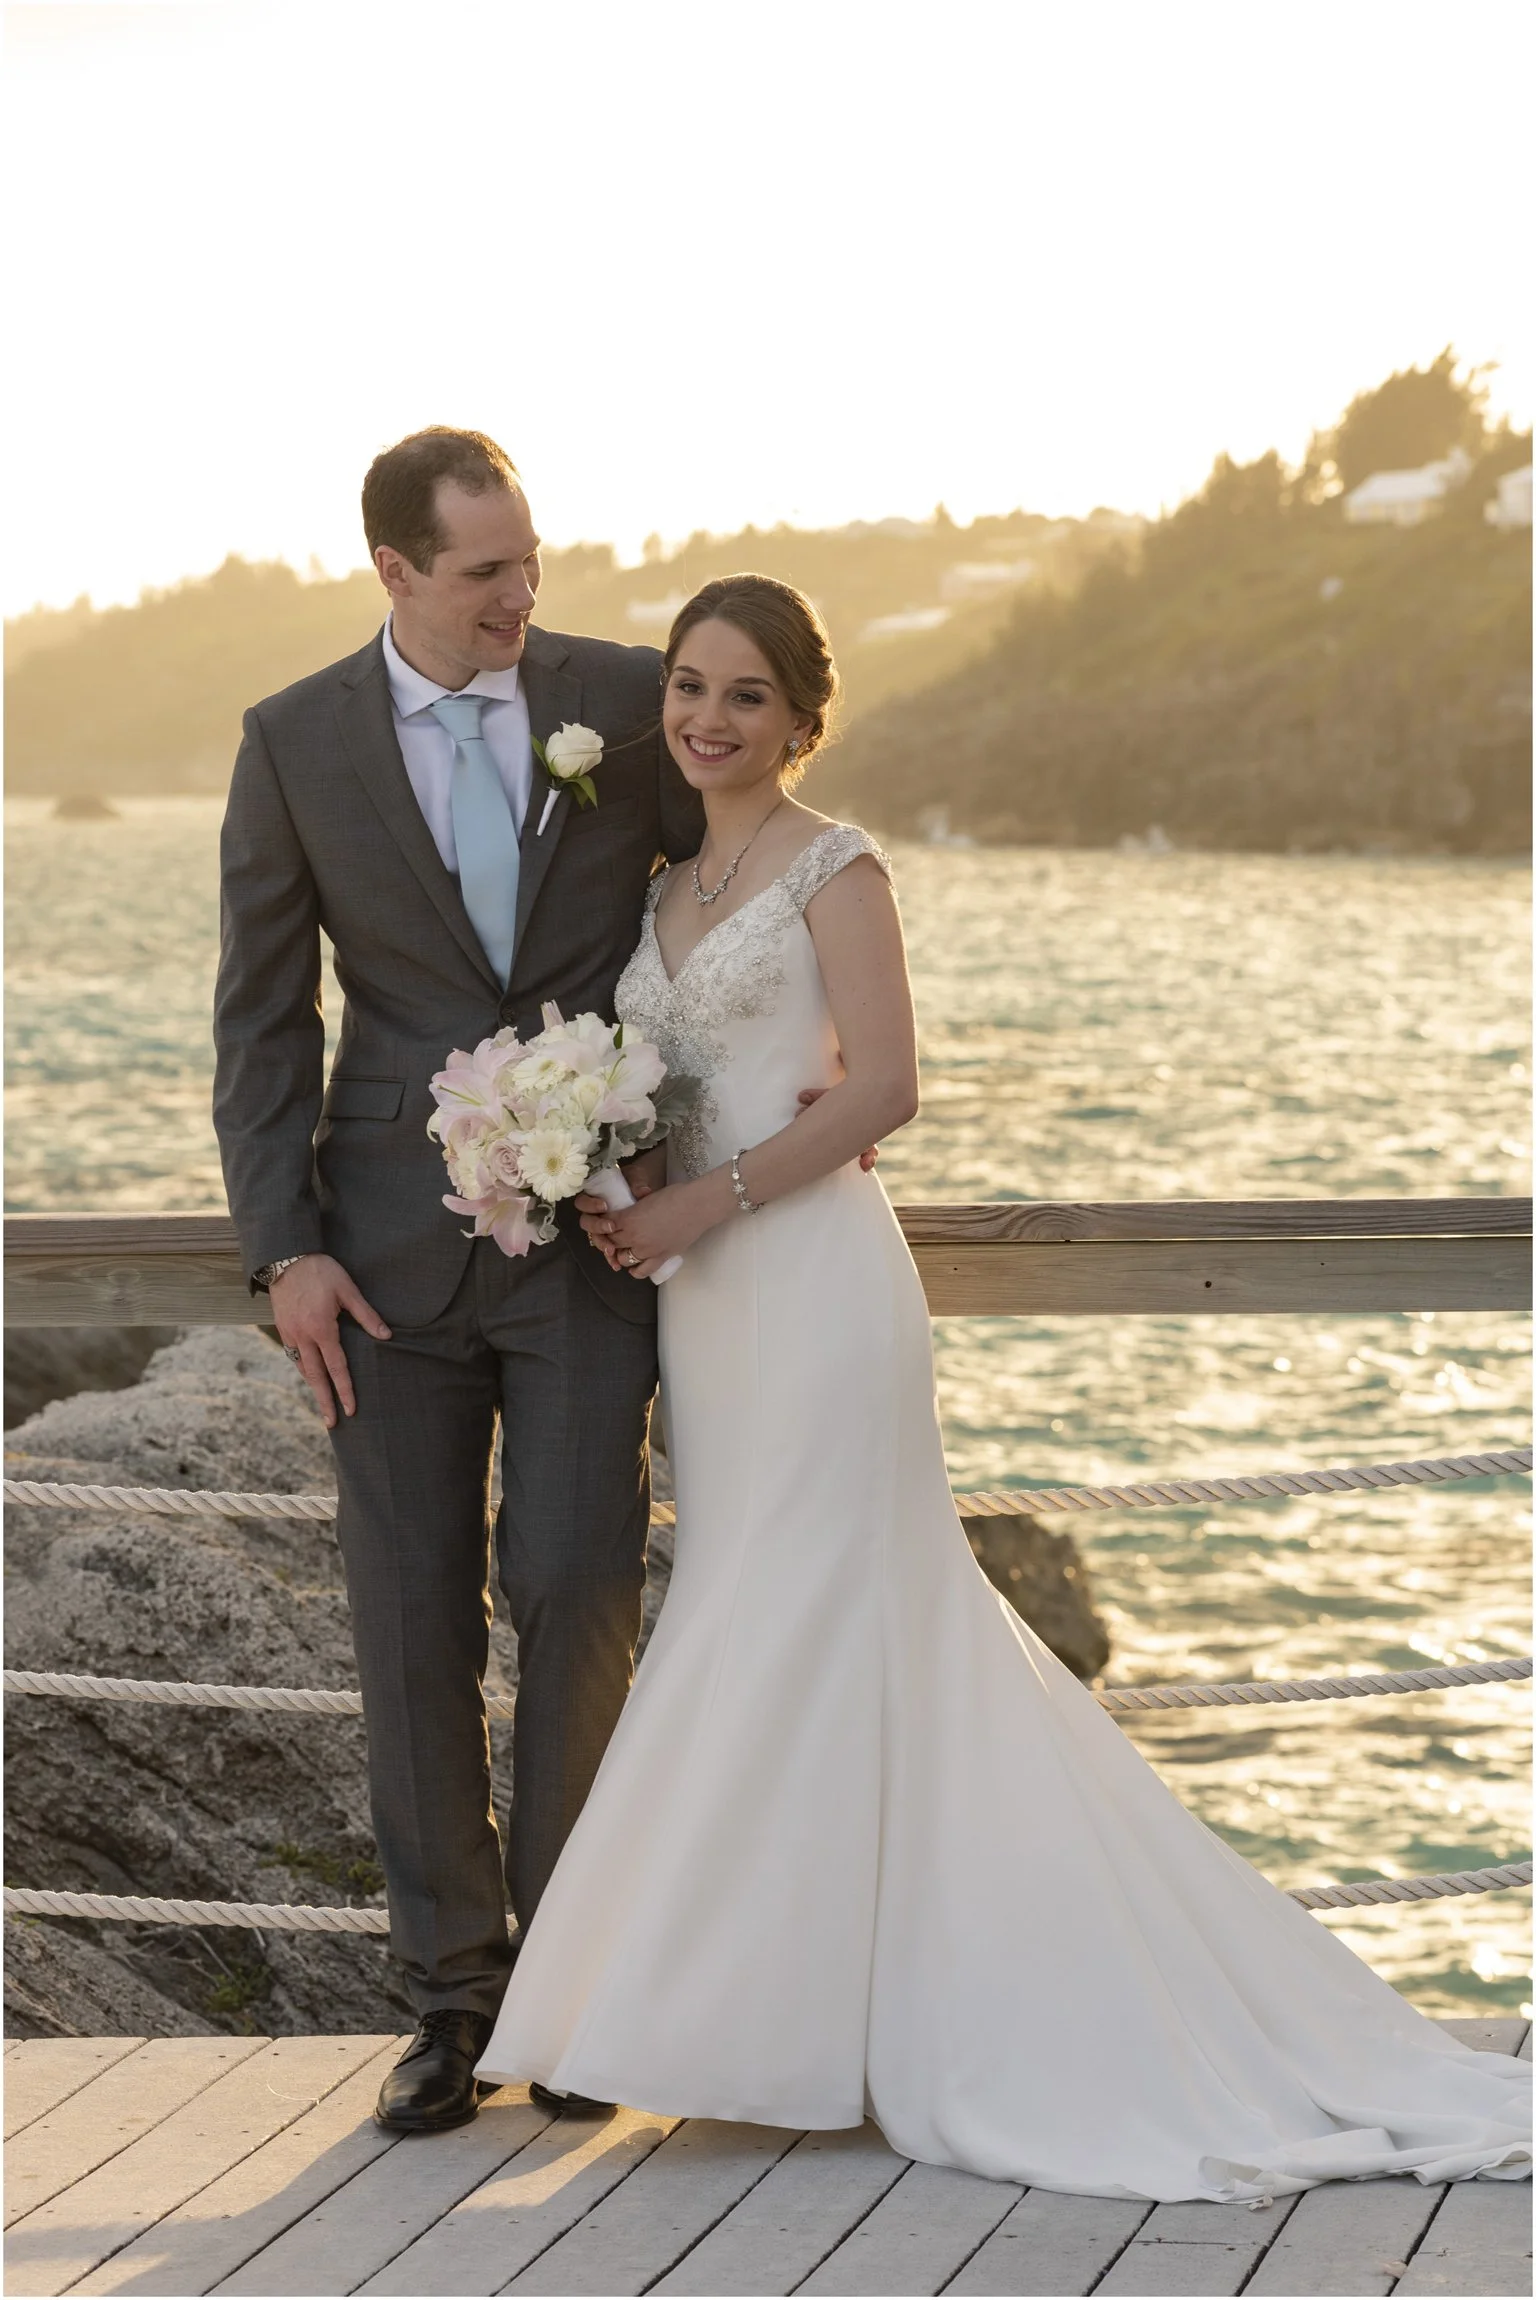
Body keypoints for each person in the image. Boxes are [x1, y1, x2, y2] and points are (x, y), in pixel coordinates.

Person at [475, 573, 1531, 2199]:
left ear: (802, 717)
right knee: (754, 1608)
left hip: (815, 1287)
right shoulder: (664, 886)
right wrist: (612, 1173)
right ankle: (776, 2020)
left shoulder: (836, 866)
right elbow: (674, 1088)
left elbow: (888, 1084)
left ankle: (846, 2024)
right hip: (707, 1309)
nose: (708, 717)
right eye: (689, 685)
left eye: (746, 693)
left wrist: (708, 1199)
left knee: (817, 1608)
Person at [212, 427, 710, 2134]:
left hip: (587, 1243)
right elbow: (261, 1020)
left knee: (579, 1589)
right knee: (410, 1619)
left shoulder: (625, 701)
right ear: (396, 571)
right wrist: (284, 1247)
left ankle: (572, 1996)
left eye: (532, 561)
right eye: (488, 571)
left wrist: (794, 1101)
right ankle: (451, 2005)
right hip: (381, 1261)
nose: (522, 596)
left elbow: (737, 884)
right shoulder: (292, 742)